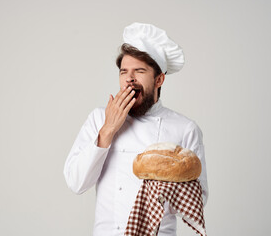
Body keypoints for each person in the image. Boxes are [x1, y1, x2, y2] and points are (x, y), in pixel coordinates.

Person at [63, 22, 208, 236]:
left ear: (159, 79)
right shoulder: (98, 119)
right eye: (124, 72)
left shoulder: (185, 128)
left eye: (139, 71)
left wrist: (164, 188)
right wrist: (108, 130)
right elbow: (76, 183)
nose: (129, 79)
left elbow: (199, 199)